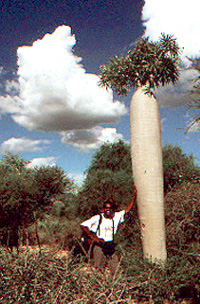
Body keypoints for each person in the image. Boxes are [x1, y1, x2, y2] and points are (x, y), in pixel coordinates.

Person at [80, 185, 137, 276]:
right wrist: (94, 237)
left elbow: (127, 210)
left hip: (110, 246)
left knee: (116, 269)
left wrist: (135, 196)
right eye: (106, 208)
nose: (108, 210)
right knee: (98, 269)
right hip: (99, 245)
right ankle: (97, 287)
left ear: (113, 209)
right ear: (103, 209)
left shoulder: (116, 216)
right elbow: (83, 225)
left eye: (110, 208)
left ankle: (114, 286)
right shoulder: (98, 218)